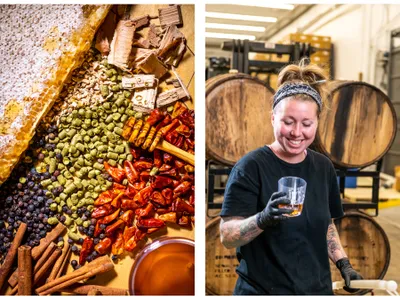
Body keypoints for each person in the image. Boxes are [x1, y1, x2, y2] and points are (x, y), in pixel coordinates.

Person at [219, 60, 363, 295]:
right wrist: (262, 219)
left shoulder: (322, 166)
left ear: (316, 123)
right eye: (288, 122)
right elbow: (227, 236)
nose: (297, 132)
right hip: (263, 292)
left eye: (307, 123)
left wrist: (343, 264)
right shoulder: (251, 166)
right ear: (273, 118)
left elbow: (326, 224)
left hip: (316, 290)